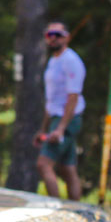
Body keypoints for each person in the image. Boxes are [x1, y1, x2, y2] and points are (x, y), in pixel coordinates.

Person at [35, 21, 86, 200]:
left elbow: (73, 97)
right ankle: (76, 210)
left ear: (67, 37)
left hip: (67, 119)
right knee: (67, 169)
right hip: (57, 118)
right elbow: (52, 100)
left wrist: (61, 128)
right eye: (49, 35)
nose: (53, 38)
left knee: (43, 164)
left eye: (58, 34)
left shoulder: (71, 61)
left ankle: (57, 210)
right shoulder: (53, 61)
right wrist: (43, 128)